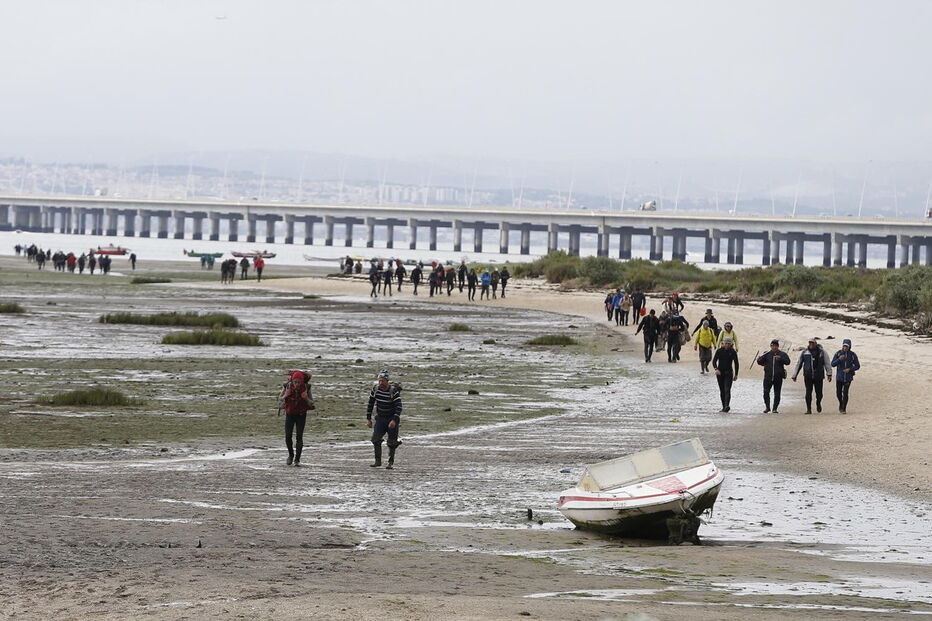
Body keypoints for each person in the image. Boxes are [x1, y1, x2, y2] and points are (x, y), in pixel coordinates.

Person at [367, 370, 402, 469]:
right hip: (381, 418)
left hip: (392, 419)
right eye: (379, 381)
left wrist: (394, 420)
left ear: (387, 381)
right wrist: (368, 418)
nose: (381, 383)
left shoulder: (393, 391)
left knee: (392, 443)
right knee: (376, 439)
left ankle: (390, 463)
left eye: (383, 381)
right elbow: (370, 403)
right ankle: (377, 461)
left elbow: (399, 407)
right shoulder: (376, 389)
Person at [279, 371, 314, 466]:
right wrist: (285, 395)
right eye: (295, 382)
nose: (297, 384)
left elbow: (312, 402)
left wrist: (306, 398)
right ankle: (290, 455)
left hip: (301, 415)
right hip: (289, 414)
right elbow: (280, 398)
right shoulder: (287, 386)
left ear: (302, 382)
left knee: (299, 437)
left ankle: (297, 459)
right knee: (287, 436)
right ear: (292, 381)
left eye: (299, 382)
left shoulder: (307, 388)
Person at [792, 337, 833, 414]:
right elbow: (799, 363)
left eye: (812, 343)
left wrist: (829, 374)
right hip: (808, 376)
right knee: (808, 392)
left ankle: (818, 403)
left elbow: (827, 363)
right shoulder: (805, 352)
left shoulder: (822, 352)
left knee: (819, 393)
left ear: (816, 343)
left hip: (819, 376)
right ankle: (808, 409)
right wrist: (795, 375)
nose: (811, 344)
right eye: (810, 343)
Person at [757, 339, 791, 413]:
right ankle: (767, 407)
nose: (774, 347)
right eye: (772, 346)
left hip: (778, 377)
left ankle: (775, 408)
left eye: (776, 346)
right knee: (766, 392)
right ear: (771, 346)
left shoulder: (782, 354)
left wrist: (780, 359)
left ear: (778, 346)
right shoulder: (767, 354)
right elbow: (759, 362)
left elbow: (788, 362)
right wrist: (759, 358)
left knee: (777, 393)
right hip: (767, 377)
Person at [831, 339, 861, 414]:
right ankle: (841, 404)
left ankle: (844, 408)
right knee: (838, 393)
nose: (845, 347)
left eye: (847, 346)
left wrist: (850, 369)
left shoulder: (852, 355)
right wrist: (839, 359)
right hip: (839, 377)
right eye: (844, 346)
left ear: (849, 346)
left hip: (848, 377)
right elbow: (832, 364)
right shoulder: (838, 353)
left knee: (845, 393)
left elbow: (857, 366)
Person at [712, 337, 739, 412]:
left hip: (729, 373)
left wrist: (736, 374)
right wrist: (716, 369)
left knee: (727, 389)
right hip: (720, 373)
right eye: (726, 343)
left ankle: (727, 405)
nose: (727, 345)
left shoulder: (733, 351)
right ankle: (723, 406)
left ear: (731, 344)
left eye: (728, 344)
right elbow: (714, 361)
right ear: (723, 343)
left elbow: (736, 363)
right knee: (722, 390)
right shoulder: (719, 351)